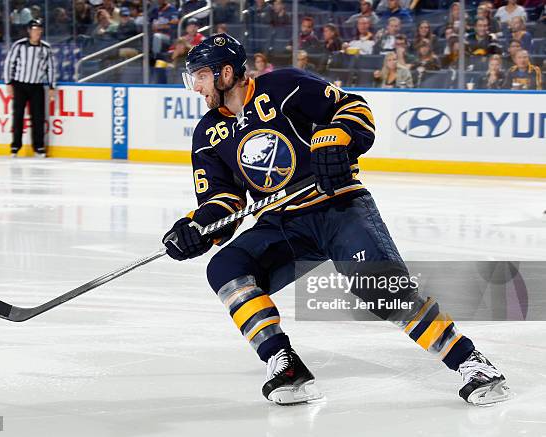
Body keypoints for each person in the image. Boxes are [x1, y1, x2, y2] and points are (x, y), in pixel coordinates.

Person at [168, 33, 511, 406]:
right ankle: (285, 365)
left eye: (201, 76)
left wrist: (334, 138)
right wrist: (196, 227)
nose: (196, 87)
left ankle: (471, 362)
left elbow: (353, 109)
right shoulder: (207, 134)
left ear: (226, 72)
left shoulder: (284, 85)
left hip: (338, 208)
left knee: (383, 290)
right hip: (282, 226)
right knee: (226, 268)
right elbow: (224, 200)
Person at [3, 19, 56, 158]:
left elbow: (51, 68)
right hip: (20, 85)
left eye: (39, 29)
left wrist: (52, 86)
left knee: (38, 117)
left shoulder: (46, 48)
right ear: (29, 31)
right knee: (18, 116)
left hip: (37, 86)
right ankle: (15, 146)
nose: (36, 32)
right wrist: (8, 83)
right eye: (33, 29)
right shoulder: (19, 45)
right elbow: (9, 63)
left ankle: (38, 147)